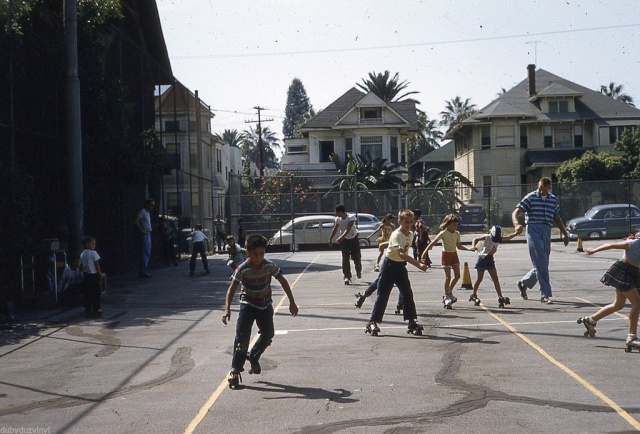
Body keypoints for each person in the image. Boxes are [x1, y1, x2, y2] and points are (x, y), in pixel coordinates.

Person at [222, 234, 298, 389]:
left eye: (262, 254)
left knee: (268, 333)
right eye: (255, 254)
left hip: (264, 305)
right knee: (242, 338)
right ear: (248, 253)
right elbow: (232, 289)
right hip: (248, 304)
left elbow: (283, 281)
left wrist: (292, 301)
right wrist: (227, 309)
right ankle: (235, 372)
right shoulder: (242, 269)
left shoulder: (269, 266)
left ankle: (254, 356)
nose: (259, 257)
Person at [366, 209, 428, 336]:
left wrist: (384, 244)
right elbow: (401, 253)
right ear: (399, 221)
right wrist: (418, 265)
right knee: (383, 295)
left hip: (400, 267)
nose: (408, 224)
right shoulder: (396, 234)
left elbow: (401, 250)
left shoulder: (410, 234)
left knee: (407, 294)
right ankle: (372, 322)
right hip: (389, 266)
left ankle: (411, 322)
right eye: (405, 222)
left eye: (411, 222)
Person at [512, 177, 570, 304]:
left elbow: (556, 217)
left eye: (544, 190)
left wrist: (564, 233)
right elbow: (516, 212)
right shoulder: (531, 197)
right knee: (541, 261)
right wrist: (516, 223)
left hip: (546, 230)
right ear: (538, 185)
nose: (542, 192)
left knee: (542, 262)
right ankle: (544, 294)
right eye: (540, 189)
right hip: (533, 229)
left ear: (549, 188)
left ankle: (524, 283)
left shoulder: (553, 199)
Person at [577, 234, 640, 350]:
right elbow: (611, 245)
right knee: (637, 303)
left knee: (618, 304)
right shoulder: (634, 243)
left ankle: (591, 320)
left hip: (634, 274)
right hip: (623, 272)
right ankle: (632, 337)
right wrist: (593, 250)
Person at [423, 214, 472, 309]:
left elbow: (459, 246)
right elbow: (432, 243)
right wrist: (424, 253)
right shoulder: (443, 233)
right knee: (448, 277)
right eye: (453, 225)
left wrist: (469, 249)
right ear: (448, 225)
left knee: (457, 276)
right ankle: (446, 296)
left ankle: (449, 292)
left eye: (456, 225)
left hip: (454, 255)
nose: (455, 227)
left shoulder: (457, 233)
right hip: (446, 255)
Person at [468, 225, 519, 308]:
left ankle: (500, 296)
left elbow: (508, 237)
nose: (496, 241)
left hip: (490, 259)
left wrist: (516, 233)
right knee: (479, 279)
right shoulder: (487, 237)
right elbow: (475, 239)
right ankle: (474, 294)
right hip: (482, 258)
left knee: (495, 278)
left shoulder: (498, 238)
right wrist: (473, 246)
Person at [328, 204, 362, 285]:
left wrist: (341, 237)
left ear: (341, 212)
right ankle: (347, 276)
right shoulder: (338, 219)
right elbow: (335, 229)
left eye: (336, 212)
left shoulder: (351, 217)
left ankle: (358, 271)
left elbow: (348, 229)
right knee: (345, 258)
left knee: (357, 258)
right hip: (345, 241)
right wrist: (330, 239)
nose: (335, 214)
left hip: (353, 239)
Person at [80, 236, 104, 319]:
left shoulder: (82, 254)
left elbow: (81, 265)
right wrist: (100, 273)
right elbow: (96, 264)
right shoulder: (94, 253)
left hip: (86, 275)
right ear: (87, 244)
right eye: (93, 243)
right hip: (94, 275)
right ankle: (97, 310)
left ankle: (88, 311)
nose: (95, 245)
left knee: (88, 294)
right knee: (96, 294)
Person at [134, 198, 155, 278]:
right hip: (145, 234)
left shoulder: (147, 212)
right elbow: (136, 221)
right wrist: (142, 230)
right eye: (151, 205)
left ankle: (144, 270)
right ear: (147, 204)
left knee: (147, 252)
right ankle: (143, 271)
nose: (152, 207)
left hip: (148, 233)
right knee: (145, 253)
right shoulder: (143, 211)